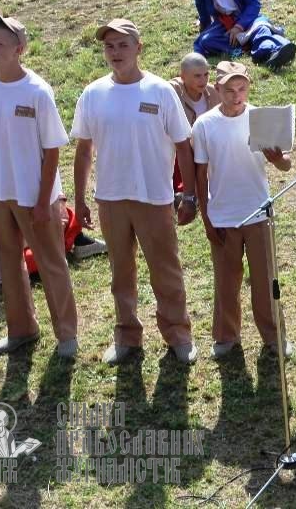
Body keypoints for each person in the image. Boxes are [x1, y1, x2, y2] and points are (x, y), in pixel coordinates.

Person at [72, 18, 199, 365]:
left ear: (139, 48)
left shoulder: (159, 91)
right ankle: (127, 336)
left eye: (123, 45)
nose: (115, 52)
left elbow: (183, 147)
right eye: (109, 46)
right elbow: (84, 150)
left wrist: (189, 195)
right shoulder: (93, 93)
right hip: (111, 199)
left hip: (153, 198)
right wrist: (80, 196)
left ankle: (178, 335)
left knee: (166, 271)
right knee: (120, 273)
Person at [0, 10, 78, 358]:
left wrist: (44, 201)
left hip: (35, 197)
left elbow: (51, 152)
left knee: (51, 262)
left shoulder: (37, 91)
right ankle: (22, 330)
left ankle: (67, 335)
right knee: (9, 260)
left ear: (19, 49)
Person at [192, 61, 293, 359]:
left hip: (258, 212)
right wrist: (206, 216)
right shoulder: (205, 125)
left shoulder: (260, 118)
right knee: (226, 280)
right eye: (230, 90)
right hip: (223, 214)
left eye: (242, 89)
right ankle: (225, 336)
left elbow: (286, 163)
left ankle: (274, 336)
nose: (237, 96)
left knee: (265, 278)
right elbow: (199, 174)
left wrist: (276, 159)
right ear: (218, 89)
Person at [169, 52, 221, 126]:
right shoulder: (172, 92)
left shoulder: (214, 93)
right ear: (183, 77)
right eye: (197, 76)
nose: (203, 80)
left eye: (206, 74)